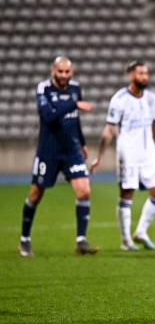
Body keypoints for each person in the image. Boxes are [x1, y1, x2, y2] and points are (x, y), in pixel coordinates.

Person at [19, 56, 98, 257]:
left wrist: (82, 142)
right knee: (36, 194)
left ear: (71, 73)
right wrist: (74, 104)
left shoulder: (75, 88)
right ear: (53, 70)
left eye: (67, 72)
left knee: (84, 191)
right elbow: (48, 116)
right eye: (60, 71)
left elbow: (75, 119)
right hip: (49, 151)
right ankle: (25, 239)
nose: (64, 75)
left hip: (71, 151)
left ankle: (81, 240)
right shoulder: (43, 89)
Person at [90, 61, 155, 251]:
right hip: (128, 153)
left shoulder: (151, 97)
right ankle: (126, 240)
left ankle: (141, 231)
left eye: (146, 73)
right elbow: (109, 130)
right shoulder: (119, 99)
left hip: (148, 152)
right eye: (141, 73)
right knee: (127, 195)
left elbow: (154, 124)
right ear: (131, 75)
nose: (144, 77)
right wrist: (99, 157)